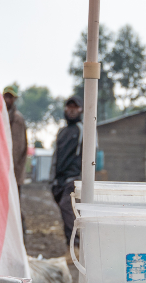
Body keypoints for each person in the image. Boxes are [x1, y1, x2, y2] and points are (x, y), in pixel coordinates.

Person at [50, 96, 85, 244]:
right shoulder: (62, 131)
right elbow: (56, 156)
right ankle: (71, 246)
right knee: (67, 213)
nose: (71, 110)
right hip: (59, 180)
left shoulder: (83, 130)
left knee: (67, 208)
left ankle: (76, 247)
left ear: (80, 110)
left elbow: (90, 156)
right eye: (69, 107)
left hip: (73, 179)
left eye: (74, 107)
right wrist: (53, 179)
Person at [3, 85, 28, 195]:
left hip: (13, 169)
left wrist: (9, 168)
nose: (8, 100)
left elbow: (17, 147)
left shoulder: (17, 118)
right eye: (6, 96)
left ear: (14, 99)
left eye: (10, 97)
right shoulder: (1, 115)